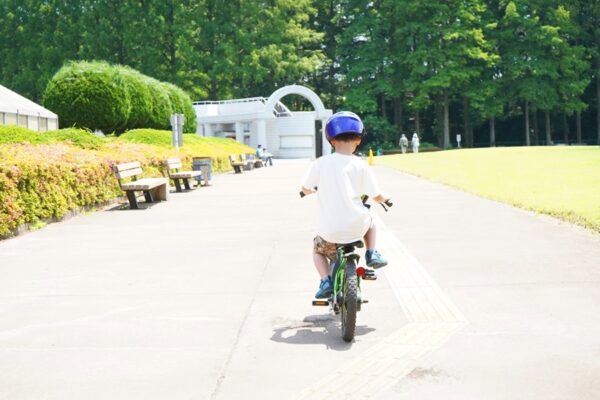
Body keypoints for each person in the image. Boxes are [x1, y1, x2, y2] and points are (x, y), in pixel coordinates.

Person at [301, 111, 390, 299]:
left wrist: (308, 191)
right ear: (358, 140)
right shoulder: (361, 165)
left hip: (330, 232)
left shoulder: (320, 163)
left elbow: (306, 187)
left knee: (317, 250)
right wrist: (386, 199)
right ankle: (371, 252)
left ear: (331, 140)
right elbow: (376, 195)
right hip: (357, 228)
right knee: (371, 218)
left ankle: (325, 280)